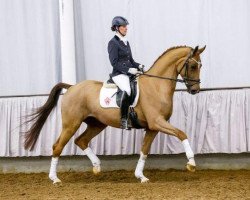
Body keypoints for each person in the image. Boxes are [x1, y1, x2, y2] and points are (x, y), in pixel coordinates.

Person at [108, 16, 144, 129]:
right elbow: (114, 63)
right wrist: (128, 70)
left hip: (129, 73)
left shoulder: (126, 42)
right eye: (123, 26)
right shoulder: (113, 43)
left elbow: (131, 61)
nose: (126, 28)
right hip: (119, 74)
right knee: (127, 89)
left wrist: (139, 66)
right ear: (117, 28)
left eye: (126, 26)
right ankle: (123, 119)